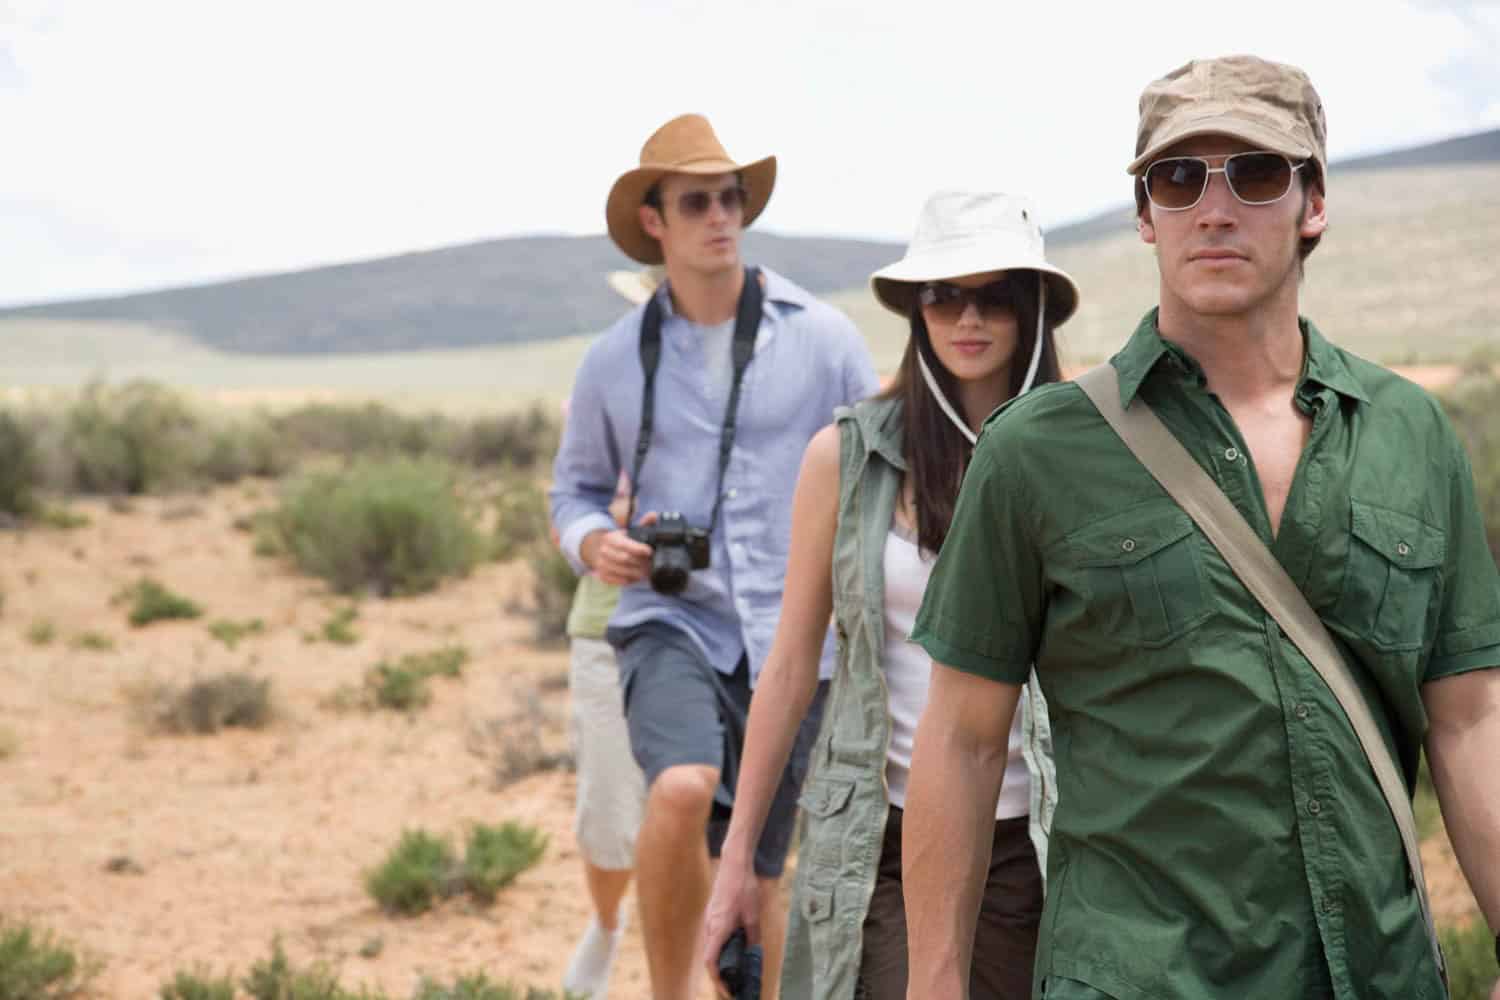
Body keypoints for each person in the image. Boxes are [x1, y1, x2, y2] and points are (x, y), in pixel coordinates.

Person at [902, 55, 1500, 1000]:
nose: (1214, 210)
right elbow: (963, 741)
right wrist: (933, 981)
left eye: (1256, 173)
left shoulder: (1409, 435)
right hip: (1140, 977)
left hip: (1377, 976)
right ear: (1146, 215)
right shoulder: (1036, 452)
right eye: (1179, 180)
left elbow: (1471, 723)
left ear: (1314, 203)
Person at [700, 191, 1077, 1000]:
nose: (966, 317)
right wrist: (737, 864)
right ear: (916, 310)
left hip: (1046, 837)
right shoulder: (847, 459)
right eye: (942, 294)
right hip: (888, 835)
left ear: (1033, 307)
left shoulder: (1083, 458)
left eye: (993, 295)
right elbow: (794, 662)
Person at [550, 113, 879, 1000]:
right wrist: (594, 541)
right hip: (672, 617)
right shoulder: (612, 361)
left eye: (731, 197)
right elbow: (570, 492)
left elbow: (882, 462)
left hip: (798, 636)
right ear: (654, 222)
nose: (720, 215)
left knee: (761, 878)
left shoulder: (824, 337)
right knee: (684, 786)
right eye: (696, 201)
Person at [559, 266, 661, 1000]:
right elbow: (576, 497)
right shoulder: (605, 384)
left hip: (720, 623)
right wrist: (611, 528)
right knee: (608, 813)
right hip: (609, 623)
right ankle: (605, 923)